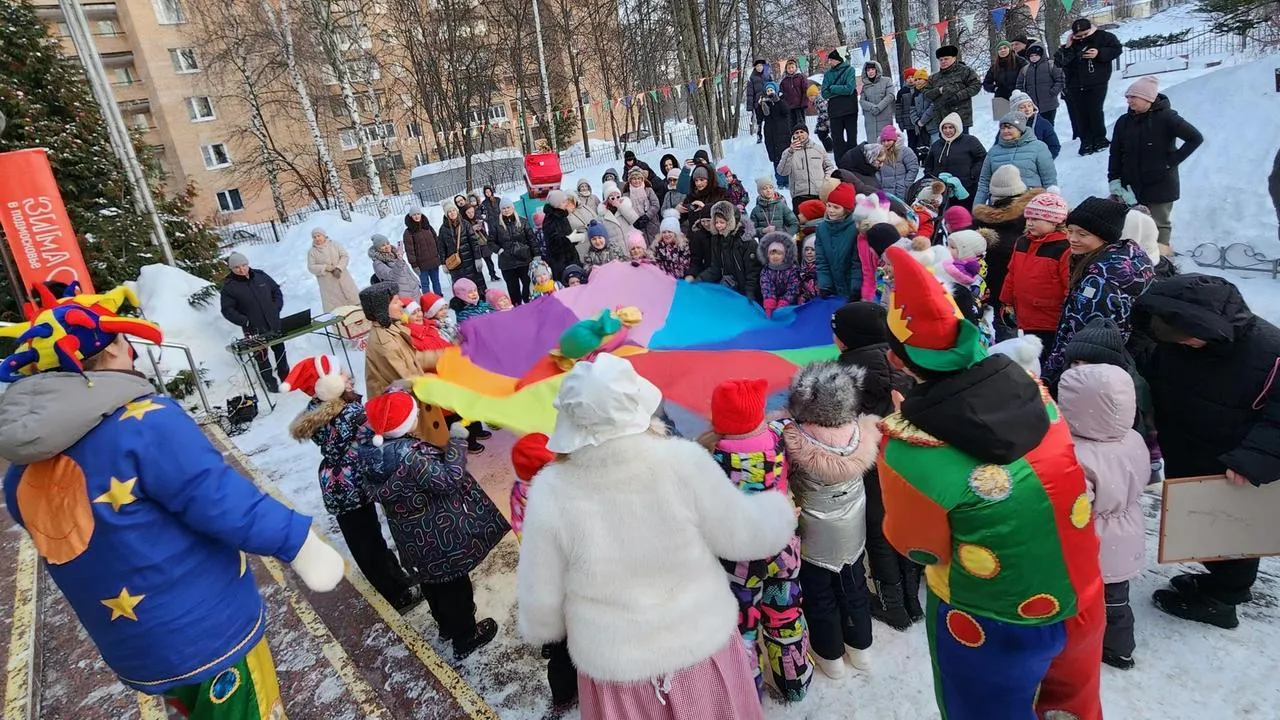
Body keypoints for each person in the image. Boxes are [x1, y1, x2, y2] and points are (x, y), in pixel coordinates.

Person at [0, 291, 344, 715]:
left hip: (140, 644)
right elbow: (219, 498)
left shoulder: (23, 467)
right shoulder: (144, 423)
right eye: (125, 340)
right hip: (208, 631)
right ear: (109, 350)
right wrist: (299, 541)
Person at [875, 244, 1105, 720]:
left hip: (990, 616)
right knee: (1074, 709)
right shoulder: (1038, 394)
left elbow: (921, 549)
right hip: (1083, 594)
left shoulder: (908, 449)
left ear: (898, 362)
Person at [515, 354, 797, 720]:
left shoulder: (550, 490)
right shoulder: (681, 460)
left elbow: (541, 601)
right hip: (700, 642)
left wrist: (547, 625)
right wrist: (779, 510)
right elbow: (743, 535)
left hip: (615, 666)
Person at [1132, 275, 1280, 630]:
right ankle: (1220, 580)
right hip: (1188, 447)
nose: (1181, 342)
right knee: (1205, 523)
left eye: (1188, 335)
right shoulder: (1179, 343)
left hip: (1235, 460)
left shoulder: (1268, 350)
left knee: (1235, 530)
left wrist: (1252, 460)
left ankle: (1222, 600)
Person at [357, 391, 507, 658]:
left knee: (431, 582)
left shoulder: (371, 453)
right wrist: (458, 444)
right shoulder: (411, 458)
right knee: (454, 584)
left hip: (410, 535)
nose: (417, 417)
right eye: (413, 415)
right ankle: (465, 637)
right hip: (437, 534)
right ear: (402, 425)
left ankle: (446, 626)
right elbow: (449, 480)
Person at [699, 378, 812, 701]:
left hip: (739, 557)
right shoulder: (778, 438)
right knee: (786, 613)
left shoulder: (712, 458)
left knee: (744, 626)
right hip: (781, 545)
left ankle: (749, 692)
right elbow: (787, 420)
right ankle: (795, 679)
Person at [284, 355, 418, 612]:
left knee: (367, 540)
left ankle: (396, 580)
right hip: (351, 485)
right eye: (342, 373)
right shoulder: (350, 412)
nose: (347, 375)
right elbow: (375, 426)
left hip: (338, 485)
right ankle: (395, 594)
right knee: (369, 544)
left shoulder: (319, 411)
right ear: (329, 384)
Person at [784, 361, 881, 678]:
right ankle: (862, 648)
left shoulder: (794, 439)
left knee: (819, 596)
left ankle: (830, 656)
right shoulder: (862, 432)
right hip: (852, 530)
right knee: (854, 588)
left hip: (814, 535)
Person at [831, 302, 920, 630]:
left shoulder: (841, 375)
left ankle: (891, 605)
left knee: (880, 532)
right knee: (904, 526)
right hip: (906, 461)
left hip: (870, 465)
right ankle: (912, 599)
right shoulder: (904, 363)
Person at [1058, 363, 1150, 670]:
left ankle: (1089, 646)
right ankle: (1121, 648)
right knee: (1117, 599)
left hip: (1093, 540)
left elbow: (1075, 505)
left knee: (1088, 598)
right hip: (1128, 531)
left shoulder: (1077, 455)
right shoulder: (1134, 438)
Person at [1042, 197, 1155, 383]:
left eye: (1082, 234)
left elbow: (1082, 335)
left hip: (1083, 372)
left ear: (1105, 236)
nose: (1072, 238)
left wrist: (1049, 377)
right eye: (1069, 231)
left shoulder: (1100, 282)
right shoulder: (1121, 258)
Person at [508, 434, 578, 705]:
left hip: (539, 573)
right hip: (563, 577)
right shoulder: (553, 498)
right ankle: (567, 690)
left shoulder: (519, 491)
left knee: (553, 625)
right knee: (568, 641)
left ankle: (559, 687)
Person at [1107, 75, 1204, 248]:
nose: (1129, 101)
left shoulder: (1167, 118)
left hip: (1161, 184)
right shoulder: (1123, 122)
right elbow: (1115, 153)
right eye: (1128, 97)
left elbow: (1195, 138)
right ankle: (1133, 260)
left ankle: (1163, 262)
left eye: (1133, 97)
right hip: (1130, 186)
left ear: (1147, 98)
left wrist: (1170, 161)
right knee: (1132, 223)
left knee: (1159, 225)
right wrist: (1114, 180)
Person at [357, 282, 451, 447]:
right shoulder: (385, 343)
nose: (401, 304)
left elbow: (414, 358)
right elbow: (405, 378)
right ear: (382, 309)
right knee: (425, 448)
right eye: (395, 301)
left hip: (414, 404)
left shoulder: (392, 329)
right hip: (403, 413)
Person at [1000, 191, 1071, 352]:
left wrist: (1068, 314)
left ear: (1055, 221)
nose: (1030, 223)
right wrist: (1007, 301)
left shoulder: (1064, 248)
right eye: (1028, 218)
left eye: (1036, 219)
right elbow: (1012, 273)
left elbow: (1069, 284)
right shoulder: (1023, 242)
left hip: (1049, 318)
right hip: (1024, 313)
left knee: (1045, 355)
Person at [220, 251, 289, 393]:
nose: (241, 269)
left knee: (280, 351)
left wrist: (276, 307)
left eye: (244, 265)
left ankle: (286, 378)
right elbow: (227, 310)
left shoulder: (260, 276)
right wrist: (244, 321)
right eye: (237, 267)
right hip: (253, 329)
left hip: (273, 322)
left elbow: (276, 291)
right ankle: (271, 385)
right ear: (232, 269)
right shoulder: (229, 287)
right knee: (262, 358)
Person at [1055, 18, 1123, 155]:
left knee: (1095, 110)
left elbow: (1117, 49)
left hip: (1097, 81)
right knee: (1080, 114)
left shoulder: (1104, 37)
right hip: (1075, 84)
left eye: (1085, 34)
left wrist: (1099, 53)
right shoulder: (1070, 44)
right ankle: (1085, 141)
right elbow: (1060, 62)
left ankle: (1099, 138)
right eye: (1078, 36)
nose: (1081, 38)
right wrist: (1068, 48)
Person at [974, 112, 1057, 207]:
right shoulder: (993, 152)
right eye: (1002, 128)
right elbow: (984, 184)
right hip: (1000, 205)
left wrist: (1051, 206)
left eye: (1009, 127)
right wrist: (977, 209)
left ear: (1020, 128)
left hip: (1030, 203)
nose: (1005, 131)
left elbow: (1049, 180)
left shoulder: (1038, 147)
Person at [815, 183, 877, 302]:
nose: (831, 211)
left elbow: (857, 262)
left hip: (852, 285)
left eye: (836, 207)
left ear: (846, 210)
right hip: (833, 285)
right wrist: (824, 284)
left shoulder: (855, 228)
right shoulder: (821, 229)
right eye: (829, 206)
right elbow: (821, 260)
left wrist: (856, 288)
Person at [697, 201, 762, 301]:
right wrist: (700, 280)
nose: (718, 226)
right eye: (716, 222)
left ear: (731, 222)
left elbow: (753, 273)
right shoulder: (717, 239)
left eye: (722, 222)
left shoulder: (746, 242)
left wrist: (750, 294)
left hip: (745, 291)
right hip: (728, 287)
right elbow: (716, 268)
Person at [924, 113, 986, 206]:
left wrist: (972, 175)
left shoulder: (971, 141)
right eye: (945, 128)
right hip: (942, 190)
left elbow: (982, 158)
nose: (947, 131)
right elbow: (928, 164)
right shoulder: (936, 145)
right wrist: (932, 178)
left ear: (957, 128)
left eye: (951, 127)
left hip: (966, 188)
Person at [922, 45, 981, 134]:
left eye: (946, 59)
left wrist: (959, 96)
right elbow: (926, 94)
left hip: (961, 117)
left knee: (962, 145)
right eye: (941, 60)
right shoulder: (934, 78)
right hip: (942, 119)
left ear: (954, 58)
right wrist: (939, 90)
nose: (943, 62)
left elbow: (976, 85)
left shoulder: (965, 71)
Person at [777, 124, 835, 213]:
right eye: (797, 132)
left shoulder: (818, 149)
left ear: (807, 133)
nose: (800, 134)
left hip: (818, 194)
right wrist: (790, 152)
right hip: (799, 195)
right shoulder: (788, 152)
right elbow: (782, 172)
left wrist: (826, 181)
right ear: (793, 135)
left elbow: (829, 167)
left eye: (802, 132)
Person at [437, 201, 487, 295]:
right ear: (446, 214)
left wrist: (478, 258)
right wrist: (443, 263)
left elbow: (474, 242)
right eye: (449, 211)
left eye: (453, 210)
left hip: (470, 263)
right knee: (462, 291)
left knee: (478, 288)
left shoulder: (465, 224)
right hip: (456, 266)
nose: (452, 213)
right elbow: (441, 248)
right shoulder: (443, 229)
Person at [307, 227, 361, 312]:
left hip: (342, 277)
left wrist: (339, 268)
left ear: (324, 236)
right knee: (338, 309)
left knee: (354, 304)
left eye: (319, 235)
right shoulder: (312, 252)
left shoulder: (335, 245)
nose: (317, 238)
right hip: (328, 284)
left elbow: (344, 256)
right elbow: (311, 267)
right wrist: (325, 268)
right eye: (314, 237)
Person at [820, 48, 859, 161]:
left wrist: (833, 88)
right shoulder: (828, 74)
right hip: (835, 111)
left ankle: (853, 161)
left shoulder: (850, 70)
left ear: (838, 60)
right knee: (837, 139)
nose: (829, 62)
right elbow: (824, 93)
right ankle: (840, 162)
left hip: (850, 110)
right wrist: (841, 91)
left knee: (852, 138)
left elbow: (849, 89)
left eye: (831, 60)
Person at [494, 200, 534, 305]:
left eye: (508, 207)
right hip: (507, 263)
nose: (506, 210)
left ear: (513, 208)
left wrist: (536, 255)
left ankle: (530, 306)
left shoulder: (523, 221)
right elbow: (490, 242)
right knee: (513, 291)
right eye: (503, 208)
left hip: (524, 260)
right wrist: (499, 250)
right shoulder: (496, 225)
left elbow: (531, 239)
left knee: (528, 287)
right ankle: (518, 310)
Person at [1016, 43, 1065, 125]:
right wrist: (1024, 95)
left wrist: (1053, 92)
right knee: (1033, 126)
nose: (1034, 57)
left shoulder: (1051, 65)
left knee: (1048, 125)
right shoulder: (1025, 69)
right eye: (1031, 56)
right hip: (1031, 106)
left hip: (1049, 105)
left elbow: (1060, 79)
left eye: (1036, 55)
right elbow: (1019, 84)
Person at [540, 189, 581, 282]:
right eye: (563, 201)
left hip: (571, 258)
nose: (566, 203)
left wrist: (576, 237)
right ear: (556, 204)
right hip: (560, 262)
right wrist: (570, 239)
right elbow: (553, 244)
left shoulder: (562, 216)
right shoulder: (550, 220)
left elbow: (566, 235)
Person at [1005, 90, 1061, 158]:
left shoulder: (1043, 124)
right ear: (1015, 110)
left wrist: (1043, 161)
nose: (1027, 109)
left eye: (1029, 105)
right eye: (1022, 107)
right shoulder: (1008, 126)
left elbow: (1054, 146)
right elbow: (999, 147)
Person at [757, 231, 801, 317]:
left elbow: (793, 287)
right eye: (772, 253)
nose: (775, 256)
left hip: (789, 304)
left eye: (779, 253)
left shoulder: (792, 270)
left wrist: (784, 302)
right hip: (771, 304)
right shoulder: (766, 271)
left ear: (785, 254)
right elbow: (766, 287)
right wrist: (770, 304)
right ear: (767, 255)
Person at [983, 41, 1028, 121]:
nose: (1002, 50)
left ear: (1010, 49)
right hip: (1001, 99)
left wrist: (1022, 89)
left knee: (1020, 124)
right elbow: (986, 83)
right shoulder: (995, 66)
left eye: (1005, 48)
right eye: (1000, 49)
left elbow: (1028, 76)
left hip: (1018, 97)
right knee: (1005, 125)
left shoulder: (1020, 61)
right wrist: (994, 89)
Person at [402, 208, 443, 296]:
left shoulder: (427, 226)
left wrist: (440, 254)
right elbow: (410, 250)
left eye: (418, 214)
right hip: (421, 265)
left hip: (433, 261)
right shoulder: (409, 232)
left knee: (436, 281)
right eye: (414, 215)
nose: (417, 216)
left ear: (421, 214)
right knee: (425, 284)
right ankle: (427, 301)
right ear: (410, 216)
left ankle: (439, 298)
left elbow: (436, 240)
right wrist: (414, 264)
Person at [873, 125, 919, 200]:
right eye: (883, 141)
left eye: (888, 140)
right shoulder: (878, 152)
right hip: (884, 190)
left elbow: (913, 168)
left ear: (894, 140)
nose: (885, 143)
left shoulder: (905, 151)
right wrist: (878, 183)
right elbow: (875, 170)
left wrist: (905, 184)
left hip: (901, 191)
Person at [759, 82, 792, 184]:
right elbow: (761, 117)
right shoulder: (765, 102)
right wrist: (761, 105)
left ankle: (789, 179)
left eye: (771, 90)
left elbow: (786, 111)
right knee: (776, 159)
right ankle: (780, 181)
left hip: (783, 132)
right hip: (771, 133)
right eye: (768, 91)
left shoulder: (781, 100)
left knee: (786, 157)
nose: (770, 92)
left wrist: (777, 101)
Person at [369, 233, 420, 297]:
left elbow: (408, 272)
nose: (387, 246)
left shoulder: (395, 255)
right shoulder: (378, 263)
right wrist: (400, 261)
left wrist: (416, 282)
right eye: (383, 245)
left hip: (415, 290)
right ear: (377, 248)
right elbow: (391, 277)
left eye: (387, 243)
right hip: (402, 295)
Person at [463, 203, 500, 283]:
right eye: (468, 213)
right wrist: (472, 229)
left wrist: (481, 227)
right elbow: (464, 235)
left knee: (489, 260)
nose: (471, 214)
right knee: (477, 263)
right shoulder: (464, 223)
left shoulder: (477, 218)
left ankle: (493, 274)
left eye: (472, 212)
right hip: (473, 245)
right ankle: (479, 279)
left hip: (483, 242)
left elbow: (486, 229)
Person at [860, 61, 895, 141]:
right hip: (870, 121)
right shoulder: (865, 86)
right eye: (868, 70)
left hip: (884, 117)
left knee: (886, 143)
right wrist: (872, 107)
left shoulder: (887, 81)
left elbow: (890, 95)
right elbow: (862, 101)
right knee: (873, 147)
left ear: (877, 70)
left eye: (873, 69)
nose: (871, 72)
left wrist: (879, 107)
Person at [653, 212, 692, 279]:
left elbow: (685, 264)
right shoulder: (657, 245)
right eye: (664, 232)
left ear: (675, 233)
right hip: (662, 278)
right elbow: (655, 262)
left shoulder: (682, 246)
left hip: (679, 279)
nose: (667, 235)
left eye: (670, 232)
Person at [909, 69, 938, 145]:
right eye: (916, 79)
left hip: (933, 128)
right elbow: (912, 110)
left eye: (920, 79)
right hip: (921, 129)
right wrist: (916, 121)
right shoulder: (915, 94)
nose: (918, 81)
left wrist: (923, 120)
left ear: (926, 80)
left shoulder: (931, 90)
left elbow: (933, 107)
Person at [780, 59, 810, 128]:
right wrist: (784, 105)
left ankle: (803, 137)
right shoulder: (784, 81)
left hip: (800, 106)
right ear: (786, 69)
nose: (791, 69)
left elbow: (805, 90)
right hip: (789, 107)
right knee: (791, 125)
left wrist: (804, 103)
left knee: (801, 124)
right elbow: (781, 94)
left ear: (796, 68)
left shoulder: (801, 77)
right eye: (789, 68)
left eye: (792, 67)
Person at [746, 59, 770, 142]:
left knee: (769, 118)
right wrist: (750, 106)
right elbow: (749, 93)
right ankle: (759, 135)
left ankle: (769, 134)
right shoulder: (752, 78)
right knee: (759, 120)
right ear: (755, 67)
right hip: (758, 103)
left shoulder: (767, 75)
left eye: (761, 66)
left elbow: (773, 86)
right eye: (757, 66)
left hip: (768, 101)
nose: (759, 67)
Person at [896, 69, 920, 150]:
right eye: (908, 78)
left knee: (921, 141)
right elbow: (898, 108)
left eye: (912, 77)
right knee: (911, 142)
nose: (910, 80)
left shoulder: (920, 89)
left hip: (920, 120)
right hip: (908, 121)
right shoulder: (901, 92)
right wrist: (900, 121)